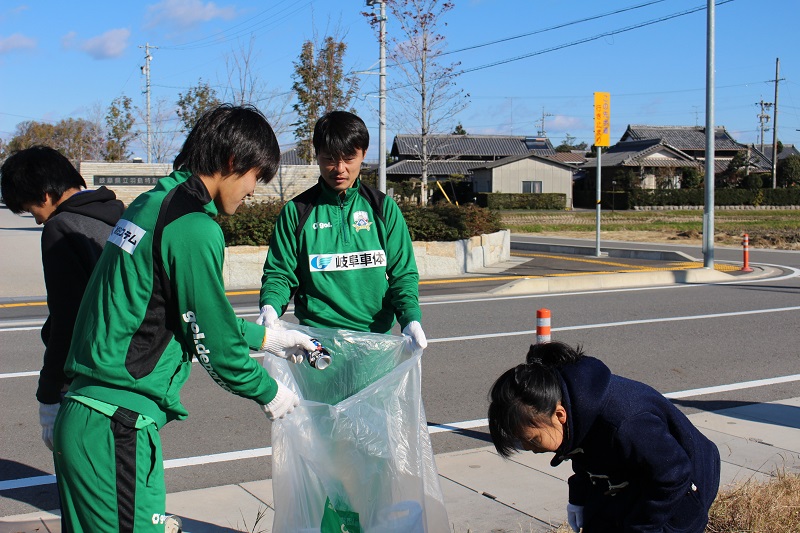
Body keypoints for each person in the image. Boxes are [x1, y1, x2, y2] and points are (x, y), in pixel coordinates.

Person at [53, 104, 318, 533]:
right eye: (257, 177)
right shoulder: (194, 227)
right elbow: (211, 340)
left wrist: (267, 339)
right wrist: (269, 392)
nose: (255, 190)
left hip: (87, 417)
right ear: (233, 162)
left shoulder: (150, 205)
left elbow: (175, 310)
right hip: (117, 425)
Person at [488, 341, 720, 533]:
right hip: (629, 476)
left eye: (533, 440)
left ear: (559, 415)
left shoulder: (625, 423)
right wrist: (578, 497)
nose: (528, 448)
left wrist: (642, 529)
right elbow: (582, 449)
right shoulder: (573, 406)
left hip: (682, 486)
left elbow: (672, 475)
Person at [258, 111, 427, 350]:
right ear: (316, 155)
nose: (340, 169)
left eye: (349, 158)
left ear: (363, 154)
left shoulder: (383, 209)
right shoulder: (296, 212)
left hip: (375, 340)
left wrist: (410, 318)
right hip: (317, 343)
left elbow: (403, 274)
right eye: (329, 158)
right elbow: (280, 274)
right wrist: (270, 307)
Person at [0, 146, 125, 451]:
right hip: (129, 373)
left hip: (87, 378)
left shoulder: (62, 228)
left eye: (31, 211)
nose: (38, 221)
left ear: (45, 194)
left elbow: (67, 321)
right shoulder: (120, 219)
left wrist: (49, 396)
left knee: (86, 481)